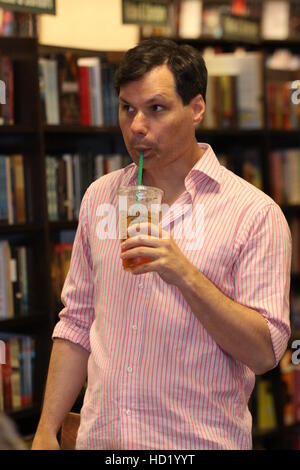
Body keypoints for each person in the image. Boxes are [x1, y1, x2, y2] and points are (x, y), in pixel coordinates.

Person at [32, 38, 291, 450]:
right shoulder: (100, 197)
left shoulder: (254, 213)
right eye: (127, 108)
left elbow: (264, 353)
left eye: (156, 108)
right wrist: (46, 429)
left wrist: (185, 273)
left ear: (196, 108)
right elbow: (77, 322)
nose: (136, 126)